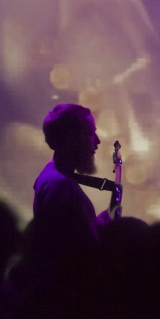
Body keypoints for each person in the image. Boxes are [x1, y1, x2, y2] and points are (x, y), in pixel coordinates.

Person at [32, 103, 113, 246]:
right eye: (90, 133)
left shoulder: (58, 179)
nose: (97, 141)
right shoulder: (57, 184)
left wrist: (95, 225)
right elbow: (62, 248)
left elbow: (71, 235)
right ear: (70, 139)